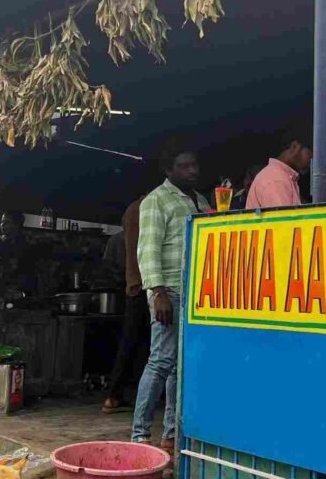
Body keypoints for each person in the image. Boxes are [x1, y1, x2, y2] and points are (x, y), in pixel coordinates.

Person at [132, 145, 209, 448]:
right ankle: (139, 435)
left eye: (194, 164)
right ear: (169, 171)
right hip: (169, 292)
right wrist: (158, 291)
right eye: (184, 166)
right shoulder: (156, 201)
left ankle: (171, 433)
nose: (193, 170)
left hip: (193, 295)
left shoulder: (200, 200)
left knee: (180, 366)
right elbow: (147, 249)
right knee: (160, 361)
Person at [103, 195, 149, 414]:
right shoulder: (146, 208)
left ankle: (115, 395)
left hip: (133, 286)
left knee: (133, 342)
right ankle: (118, 395)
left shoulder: (132, 210)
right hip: (144, 285)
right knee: (139, 343)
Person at [246, 129, 313, 209]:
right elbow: (285, 220)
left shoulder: (283, 177)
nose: (312, 159)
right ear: (294, 147)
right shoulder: (276, 180)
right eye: (309, 154)